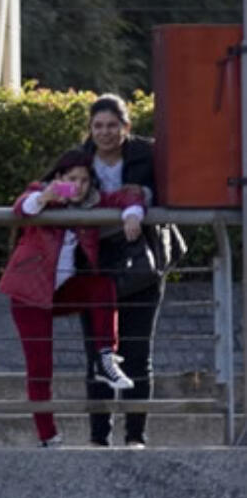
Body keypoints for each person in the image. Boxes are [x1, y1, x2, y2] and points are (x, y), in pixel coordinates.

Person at [0, 152, 139, 448]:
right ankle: (48, 436)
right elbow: (21, 208)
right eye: (72, 179)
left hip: (62, 289)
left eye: (84, 180)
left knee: (102, 286)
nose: (78, 185)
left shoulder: (90, 202)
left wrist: (132, 214)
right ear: (59, 178)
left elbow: (128, 196)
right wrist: (48, 195)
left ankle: (105, 357)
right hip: (29, 292)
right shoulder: (41, 192)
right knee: (40, 367)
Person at [78, 93, 164, 449]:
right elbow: (55, 190)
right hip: (93, 267)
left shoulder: (148, 155)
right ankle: (99, 437)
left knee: (137, 350)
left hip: (140, 262)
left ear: (126, 127)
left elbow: (166, 190)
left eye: (113, 125)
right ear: (90, 129)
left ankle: (135, 436)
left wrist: (140, 199)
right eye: (98, 126)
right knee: (97, 353)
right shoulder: (78, 161)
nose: (106, 132)